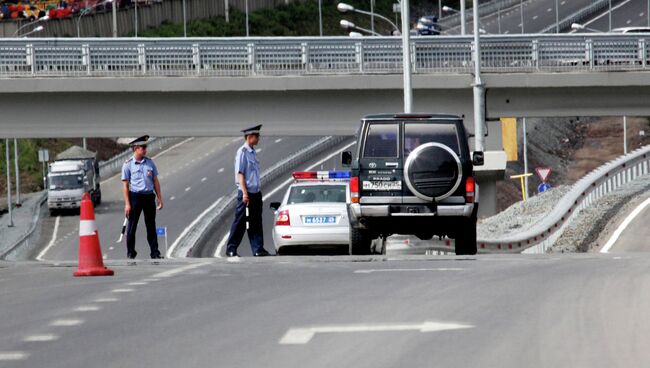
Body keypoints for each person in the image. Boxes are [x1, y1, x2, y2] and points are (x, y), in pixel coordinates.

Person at [225, 124, 271, 257]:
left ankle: (258, 249)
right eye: (257, 136)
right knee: (240, 222)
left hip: (256, 193)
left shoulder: (252, 152)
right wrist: (244, 193)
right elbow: (240, 174)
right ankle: (231, 248)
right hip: (247, 194)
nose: (258, 139)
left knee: (256, 222)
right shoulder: (242, 152)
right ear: (250, 137)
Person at [121, 135, 164, 259]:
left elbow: (155, 181)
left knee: (151, 225)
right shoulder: (128, 165)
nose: (145, 150)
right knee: (132, 226)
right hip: (135, 197)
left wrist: (159, 198)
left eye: (145, 147)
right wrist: (127, 204)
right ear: (135, 148)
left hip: (148, 196)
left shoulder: (150, 162)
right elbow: (125, 185)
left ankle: (155, 252)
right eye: (142, 147)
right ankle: (130, 252)